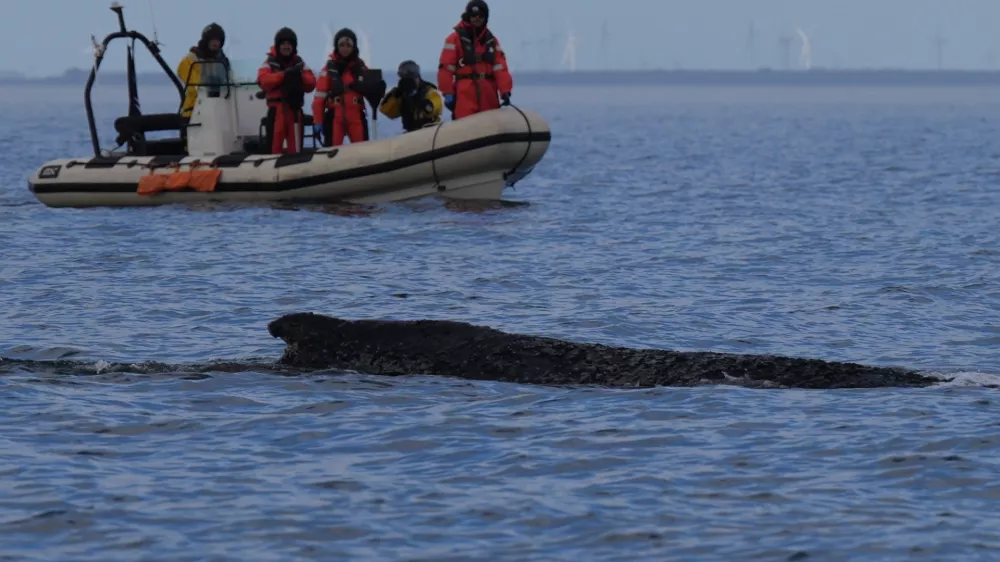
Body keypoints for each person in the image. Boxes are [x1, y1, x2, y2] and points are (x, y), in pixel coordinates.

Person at [437, 0, 512, 119]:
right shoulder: (454, 39)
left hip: (488, 94)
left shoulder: (491, 41)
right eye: (473, 15)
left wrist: (505, 90)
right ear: (468, 16)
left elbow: (500, 68)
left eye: (480, 16)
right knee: (465, 125)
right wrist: (448, 93)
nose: (477, 18)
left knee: (490, 124)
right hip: (465, 93)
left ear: (486, 17)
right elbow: (445, 68)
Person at [312, 28, 377, 146]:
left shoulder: (361, 68)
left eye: (348, 45)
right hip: (335, 116)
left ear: (354, 47)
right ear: (336, 46)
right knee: (333, 152)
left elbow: (373, 90)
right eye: (342, 45)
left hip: (356, 115)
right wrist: (318, 121)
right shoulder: (328, 70)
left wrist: (377, 88)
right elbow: (319, 99)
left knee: (361, 151)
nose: (345, 48)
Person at [257, 27, 317, 154]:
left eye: (289, 44)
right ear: (278, 45)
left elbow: (311, 83)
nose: (286, 46)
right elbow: (263, 80)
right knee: (274, 150)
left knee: (295, 149)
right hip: (276, 111)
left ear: (293, 46)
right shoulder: (269, 62)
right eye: (283, 43)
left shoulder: (299, 63)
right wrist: (284, 75)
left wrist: (298, 76)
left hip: (294, 111)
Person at [176, 23, 231, 118]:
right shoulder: (191, 59)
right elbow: (196, 85)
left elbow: (230, 80)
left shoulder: (223, 61)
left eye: (218, 40)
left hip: (220, 108)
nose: (215, 43)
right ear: (206, 40)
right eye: (213, 39)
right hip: (195, 110)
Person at [378, 60, 443, 132]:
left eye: (413, 79)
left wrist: (419, 100)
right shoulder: (400, 95)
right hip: (410, 133)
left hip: (430, 130)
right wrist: (395, 95)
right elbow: (387, 111)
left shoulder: (429, 91)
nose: (411, 83)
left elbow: (433, 108)